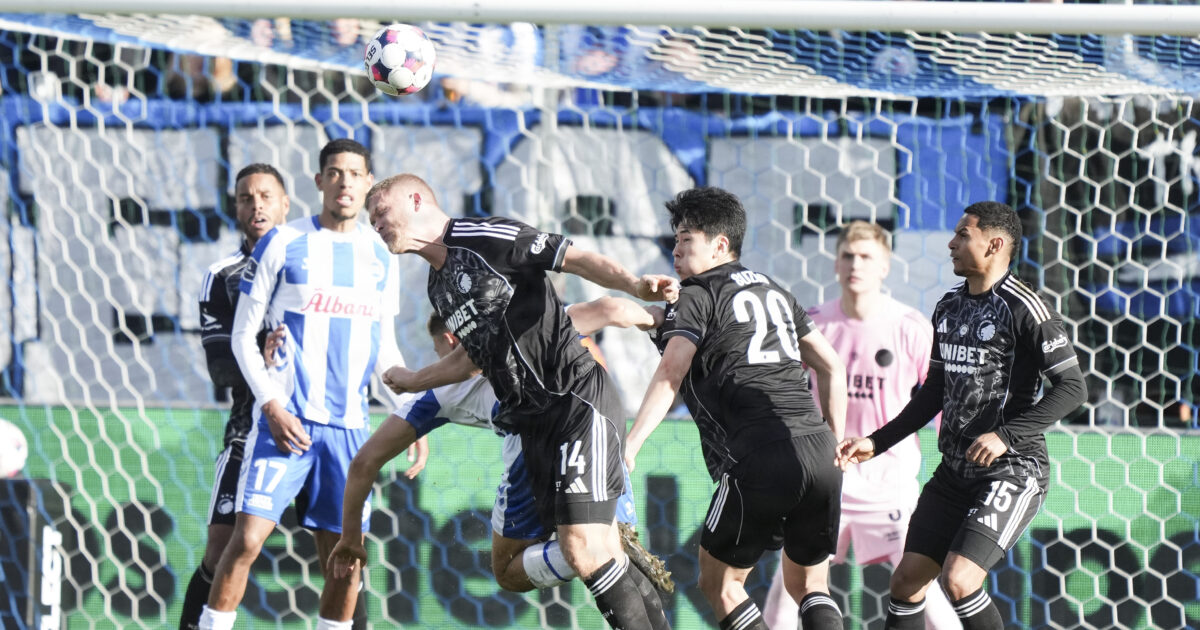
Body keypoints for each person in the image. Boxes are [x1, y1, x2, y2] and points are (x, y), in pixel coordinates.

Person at [358, 173, 677, 630]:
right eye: (371, 222)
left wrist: (635, 287)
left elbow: (575, 257)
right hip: (532, 426)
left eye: (382, 213)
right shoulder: (438, 286)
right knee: (535, 562)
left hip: (574, 398)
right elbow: (470, 359)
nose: (377, 225)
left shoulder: (486, 236)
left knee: (583, 548)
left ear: (415, 199)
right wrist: (414, 379)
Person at [835, 201, 1086, 630]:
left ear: (994, 244)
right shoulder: (949, 306)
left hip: (1012, 470)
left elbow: (1073, 388)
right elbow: (934, 391)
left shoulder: (1026, 308)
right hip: (954, 473)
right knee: (906, 583)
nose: (950, 243)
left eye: (961, 235)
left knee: (960, 579)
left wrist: (1005, 435)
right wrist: (876, 441)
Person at [198, 139, 415, 630]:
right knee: (246, 542)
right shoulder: (284, 242)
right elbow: (241, 337)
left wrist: (411, 414)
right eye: (334, 173)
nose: (344, 182)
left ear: (367, 182)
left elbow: (386, 349)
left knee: (344, 560)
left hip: (349, 432)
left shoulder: (382, 254)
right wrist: (273, 405)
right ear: (319, 182)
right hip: (286, 425)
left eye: (355, 174)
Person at [328, 302, 674, 598]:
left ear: (449, 341)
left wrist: (350, 537)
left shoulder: (441, 394)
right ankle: (606, 541)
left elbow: (365, 461)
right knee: (624, 570)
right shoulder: (532, 320)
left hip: (537, 451)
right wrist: (660, 317)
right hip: (598, 426)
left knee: (509, 569)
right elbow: (609, 308)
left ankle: (587, 550)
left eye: (437, 354)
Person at [625, 186, 848, 630]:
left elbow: (672, 371)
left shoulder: (696, 294)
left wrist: (630, 445)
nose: (675, 250)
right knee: (810, 586)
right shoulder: (774, 288)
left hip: (758, 455)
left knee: (720, 584)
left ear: (720, 244)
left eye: (686, 238)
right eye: (675, 240)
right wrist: (836, 441)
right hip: (822, 452)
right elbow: (832, 367)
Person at [761, 221, 960, 630]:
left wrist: (956, 470)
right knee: (788, 590)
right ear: (835, 264)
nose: (856, 265)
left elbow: (943, 404)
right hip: (826, 481)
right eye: (848, 256)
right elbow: (779, 390)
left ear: (885, 266)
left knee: (926, 592)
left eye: (867, 256)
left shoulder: (911, 328)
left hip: (891, 486)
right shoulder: (813, 324)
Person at [181, 163, 295, 629]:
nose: (257, 205)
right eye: (247, 198)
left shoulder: (315, 263)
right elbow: (221, 368)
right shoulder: (223, 275)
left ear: (286, 204)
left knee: (342, 552)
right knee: (222, 550)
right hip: (253, 429)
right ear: (236, 208)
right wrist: (259, 354)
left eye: (266, 196)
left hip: (320, 424)